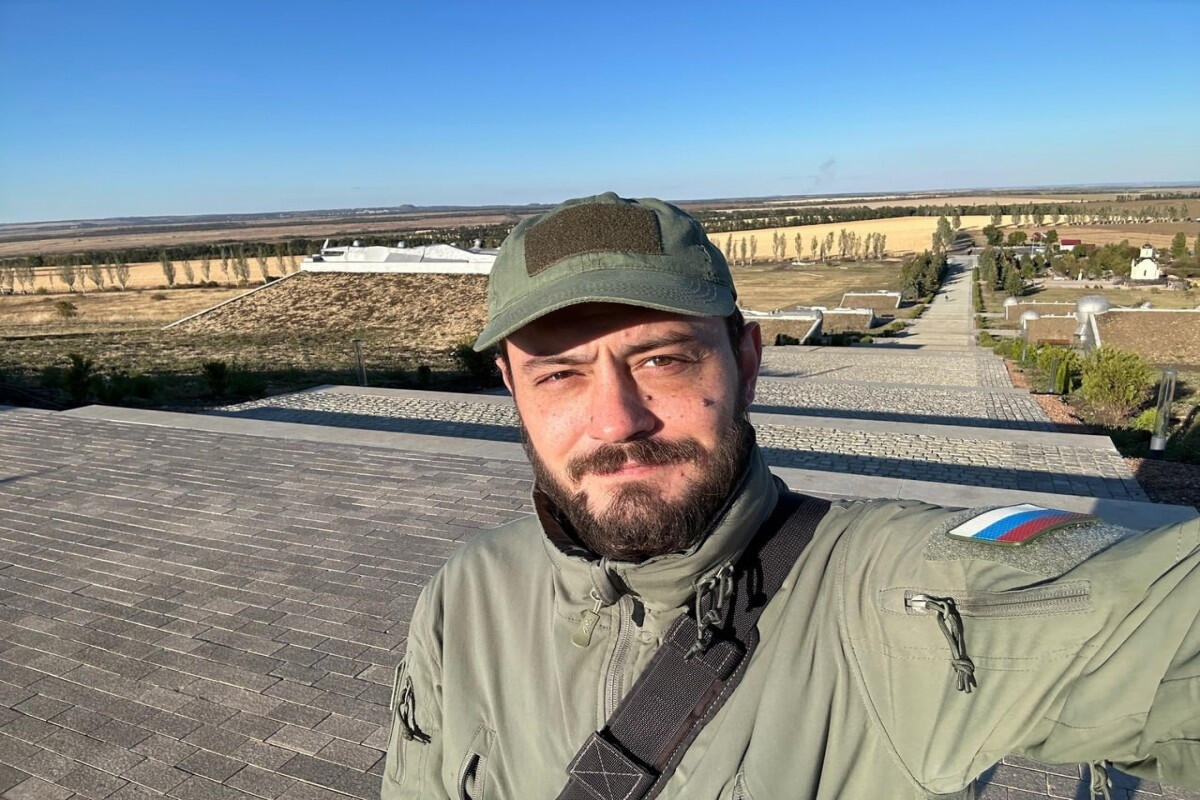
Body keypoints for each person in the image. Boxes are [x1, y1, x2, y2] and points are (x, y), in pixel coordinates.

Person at [380, 192, 1200, 800]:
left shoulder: (891, 598)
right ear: (512, 389)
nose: (616, 420)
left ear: (746, 362)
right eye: (559, 375)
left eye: (663, 359)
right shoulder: (468, 595)